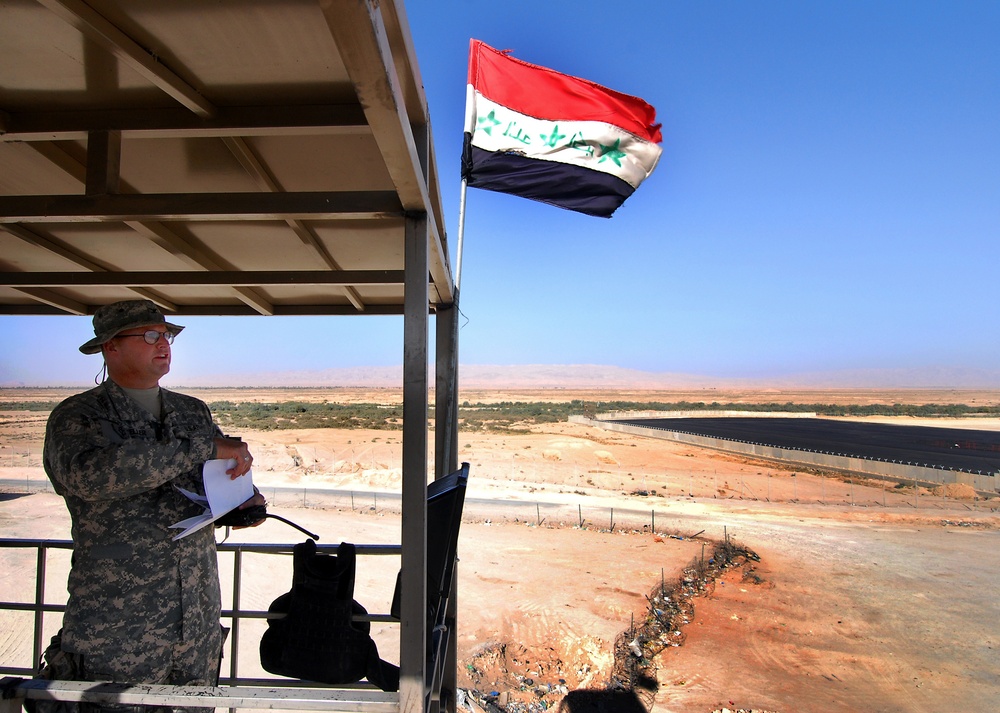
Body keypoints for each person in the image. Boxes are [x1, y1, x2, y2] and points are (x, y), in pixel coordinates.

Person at [41, 299, 265, 712]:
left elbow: (207, 476)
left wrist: (239, 501)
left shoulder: (192, 412)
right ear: (111, 347)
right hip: (118, 628)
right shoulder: (79, 416)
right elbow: (91, 476)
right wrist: (200, 448)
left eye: (166, 335)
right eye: (149, 336)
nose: (163, 344)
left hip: (195, 623)